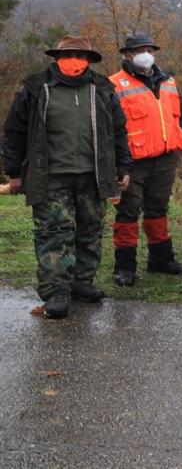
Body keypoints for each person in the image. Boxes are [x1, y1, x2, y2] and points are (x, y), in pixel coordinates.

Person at [3, 36, 132, 318]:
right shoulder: (36, 88)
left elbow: (119, 131)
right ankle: (56, 291)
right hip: (50, 175)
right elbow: (14, 132)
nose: (74, 61)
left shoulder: (102, 89)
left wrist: (124, 167)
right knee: (53, 233)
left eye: (80, 56)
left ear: (89, 60)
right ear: (56, 58)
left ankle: (81, 282)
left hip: (94, 174)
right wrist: (14, 172)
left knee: (90, 230)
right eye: (69, 55)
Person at [108, 33, 182, 286]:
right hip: (133, 161)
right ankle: (124, 266)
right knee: (128, 211)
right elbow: (109, 128)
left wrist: (179, 140)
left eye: (150, 49)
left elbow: (177, 117)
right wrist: (117, 164)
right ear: (126, 55)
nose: (146, 54)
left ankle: (161, 260)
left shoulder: (168, 82)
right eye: (140, 50)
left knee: (158, 208)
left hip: (165, 158)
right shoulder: (113, 84)